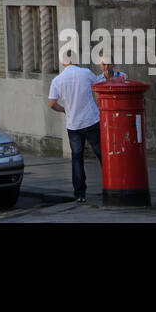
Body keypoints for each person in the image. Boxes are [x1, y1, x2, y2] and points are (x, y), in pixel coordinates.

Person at [47, 48, 113, 203]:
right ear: (76, 60)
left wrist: (65, 110)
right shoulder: (86, 73)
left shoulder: (57, 80)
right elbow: (100, 86)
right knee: (101, 155)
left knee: (77, 158)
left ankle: (80, 194)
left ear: (63, 62)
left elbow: (51, 104)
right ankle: (111, 186)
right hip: (91, 120)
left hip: (73, 125)